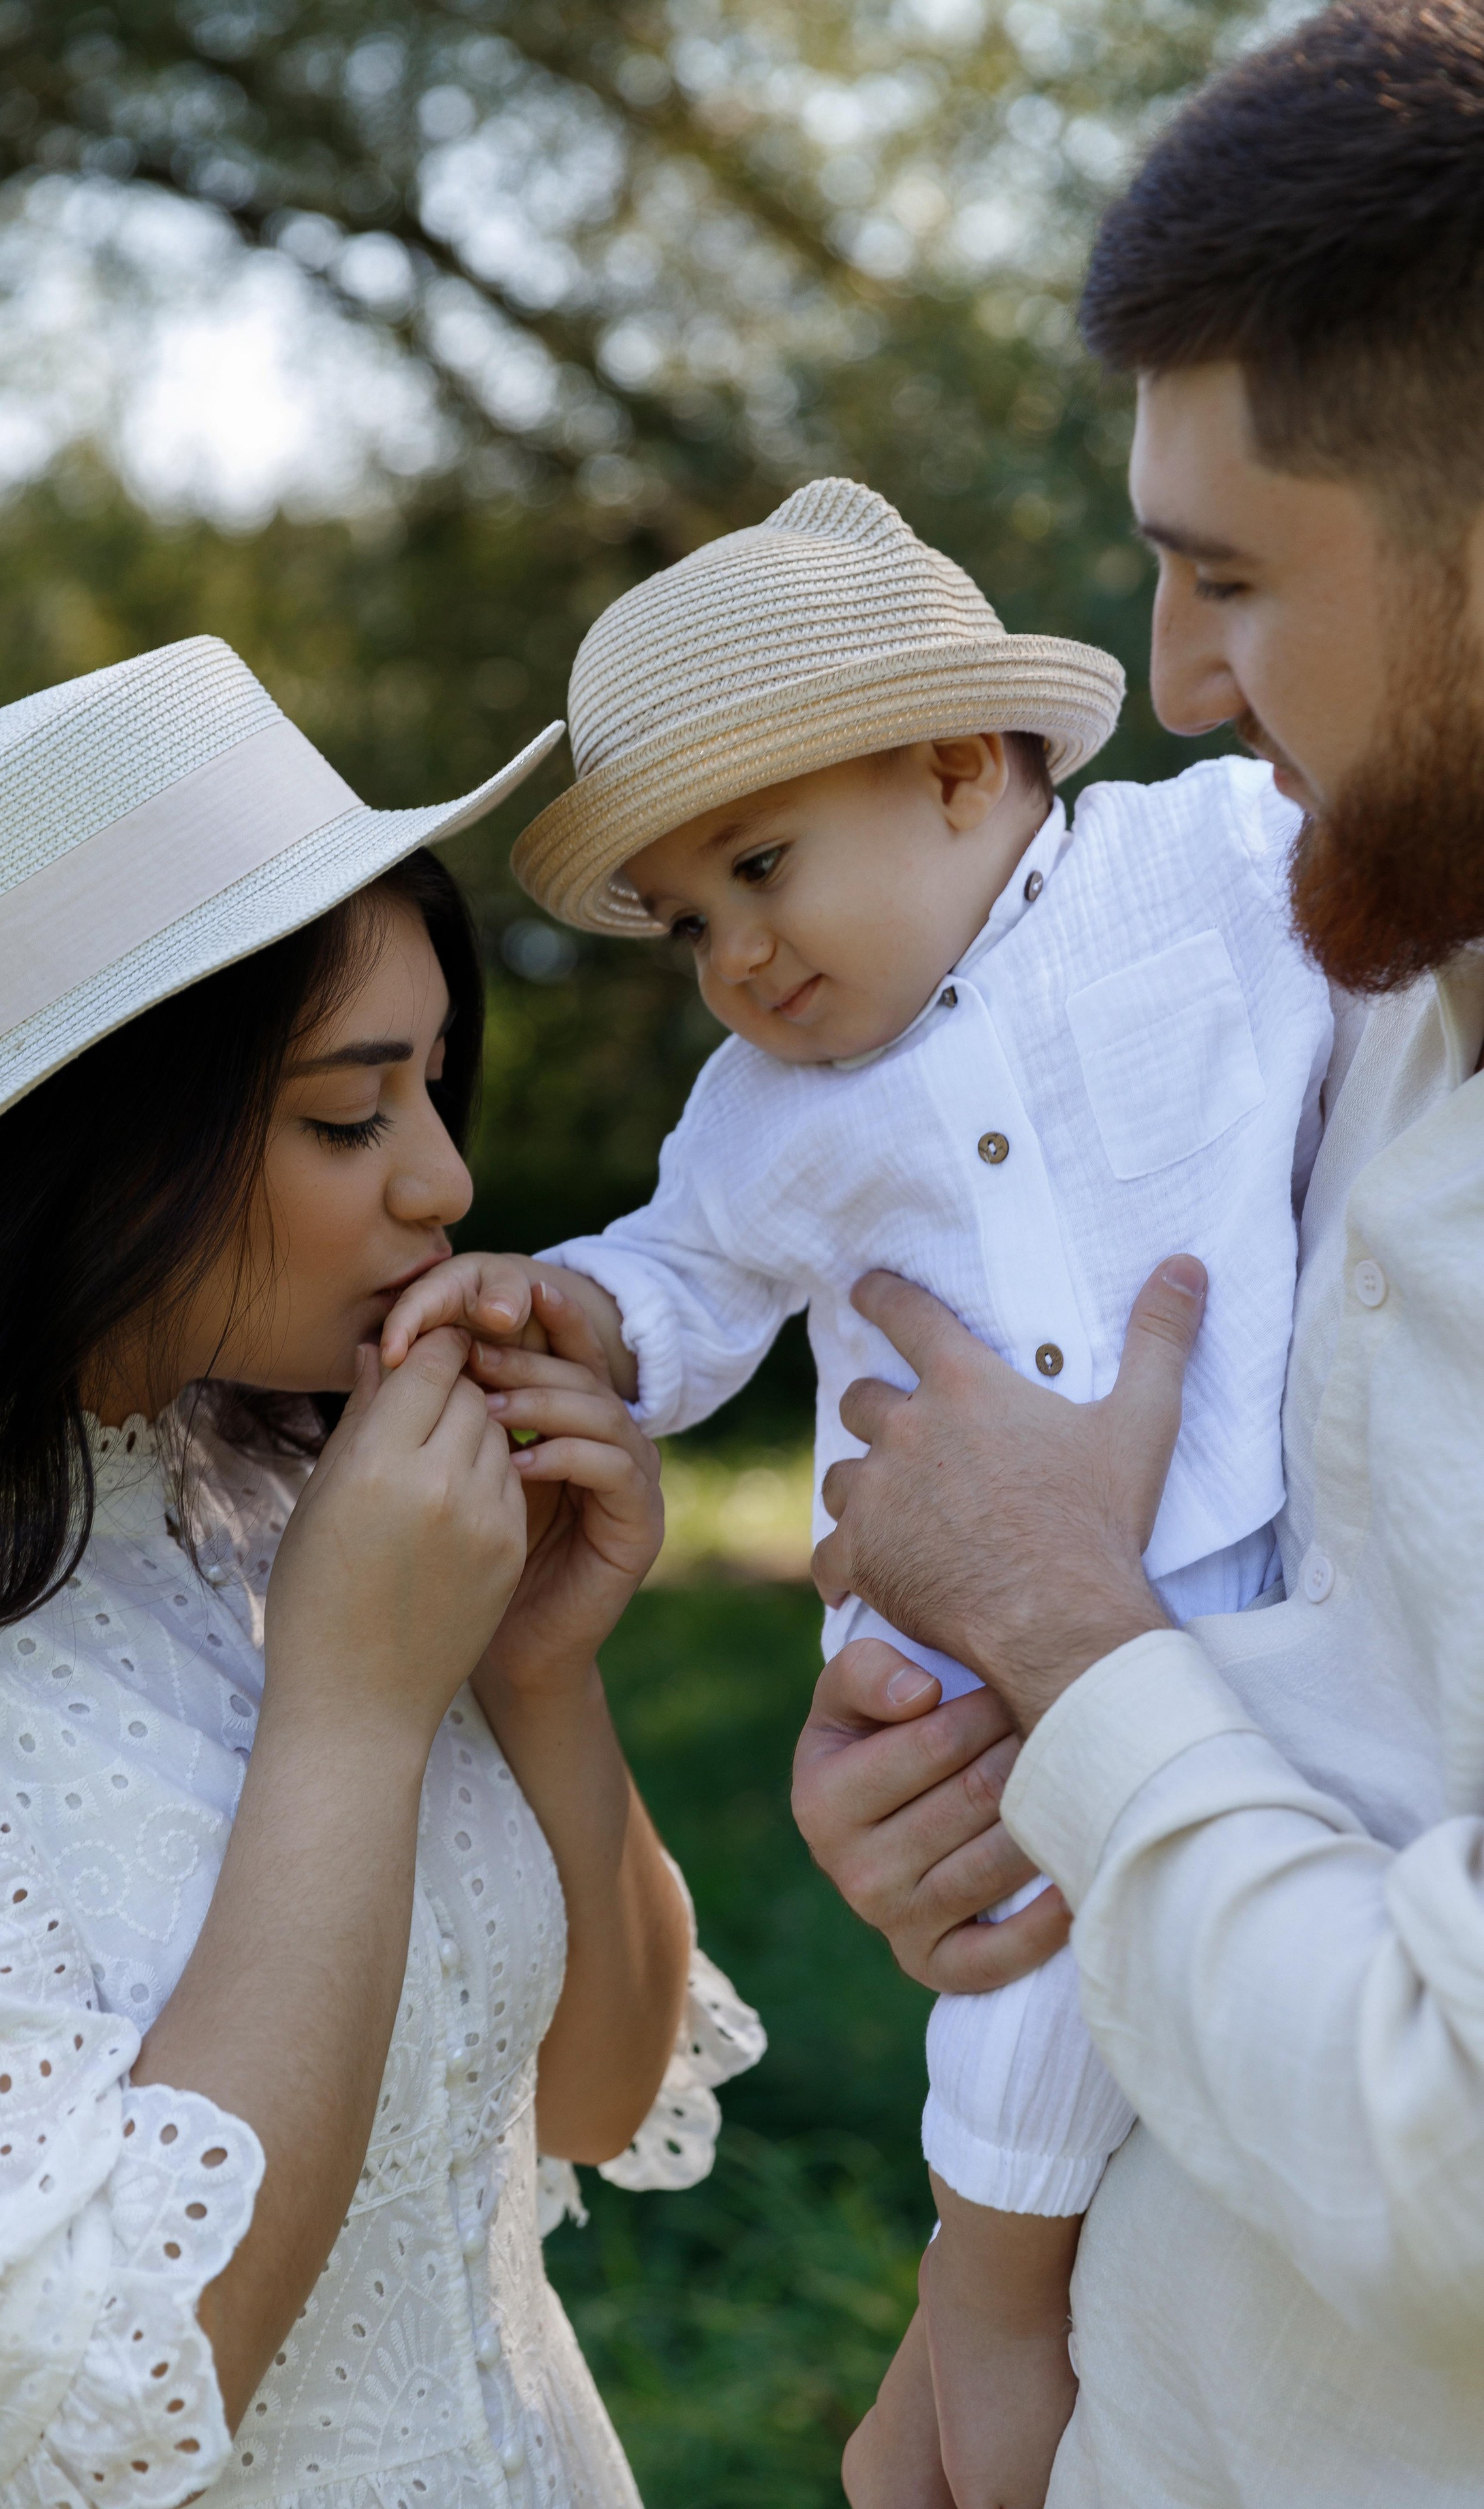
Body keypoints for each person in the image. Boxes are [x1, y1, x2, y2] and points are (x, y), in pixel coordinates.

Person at [374, 482, 1332, 2508]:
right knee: (1023, 1947)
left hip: (1256, 1538)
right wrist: (574, 1306)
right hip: (967, 1640)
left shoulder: (1208, 862)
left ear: (964, 766)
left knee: (1235, 1925)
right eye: (690, 917)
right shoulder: (762, 1120)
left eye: (762, 865)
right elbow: (681, 1283)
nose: (734, 954)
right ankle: (986, 2295)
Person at [0, 635, 764, 2508]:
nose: (444, 1186)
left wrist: (538, 1673)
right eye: (353, 1112)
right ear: (93, 1159)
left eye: (430, 1088)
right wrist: (350, 1712)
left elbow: (582, 2095)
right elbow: (119, 2406)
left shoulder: (272, 1484)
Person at [794, 0, 1484, 2499]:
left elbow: (1456, 2166)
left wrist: (1074, 1648)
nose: (1180, 685)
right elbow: (1339, 1701)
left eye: (1228, 580)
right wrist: (991, 1765)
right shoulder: (1348, 1003)